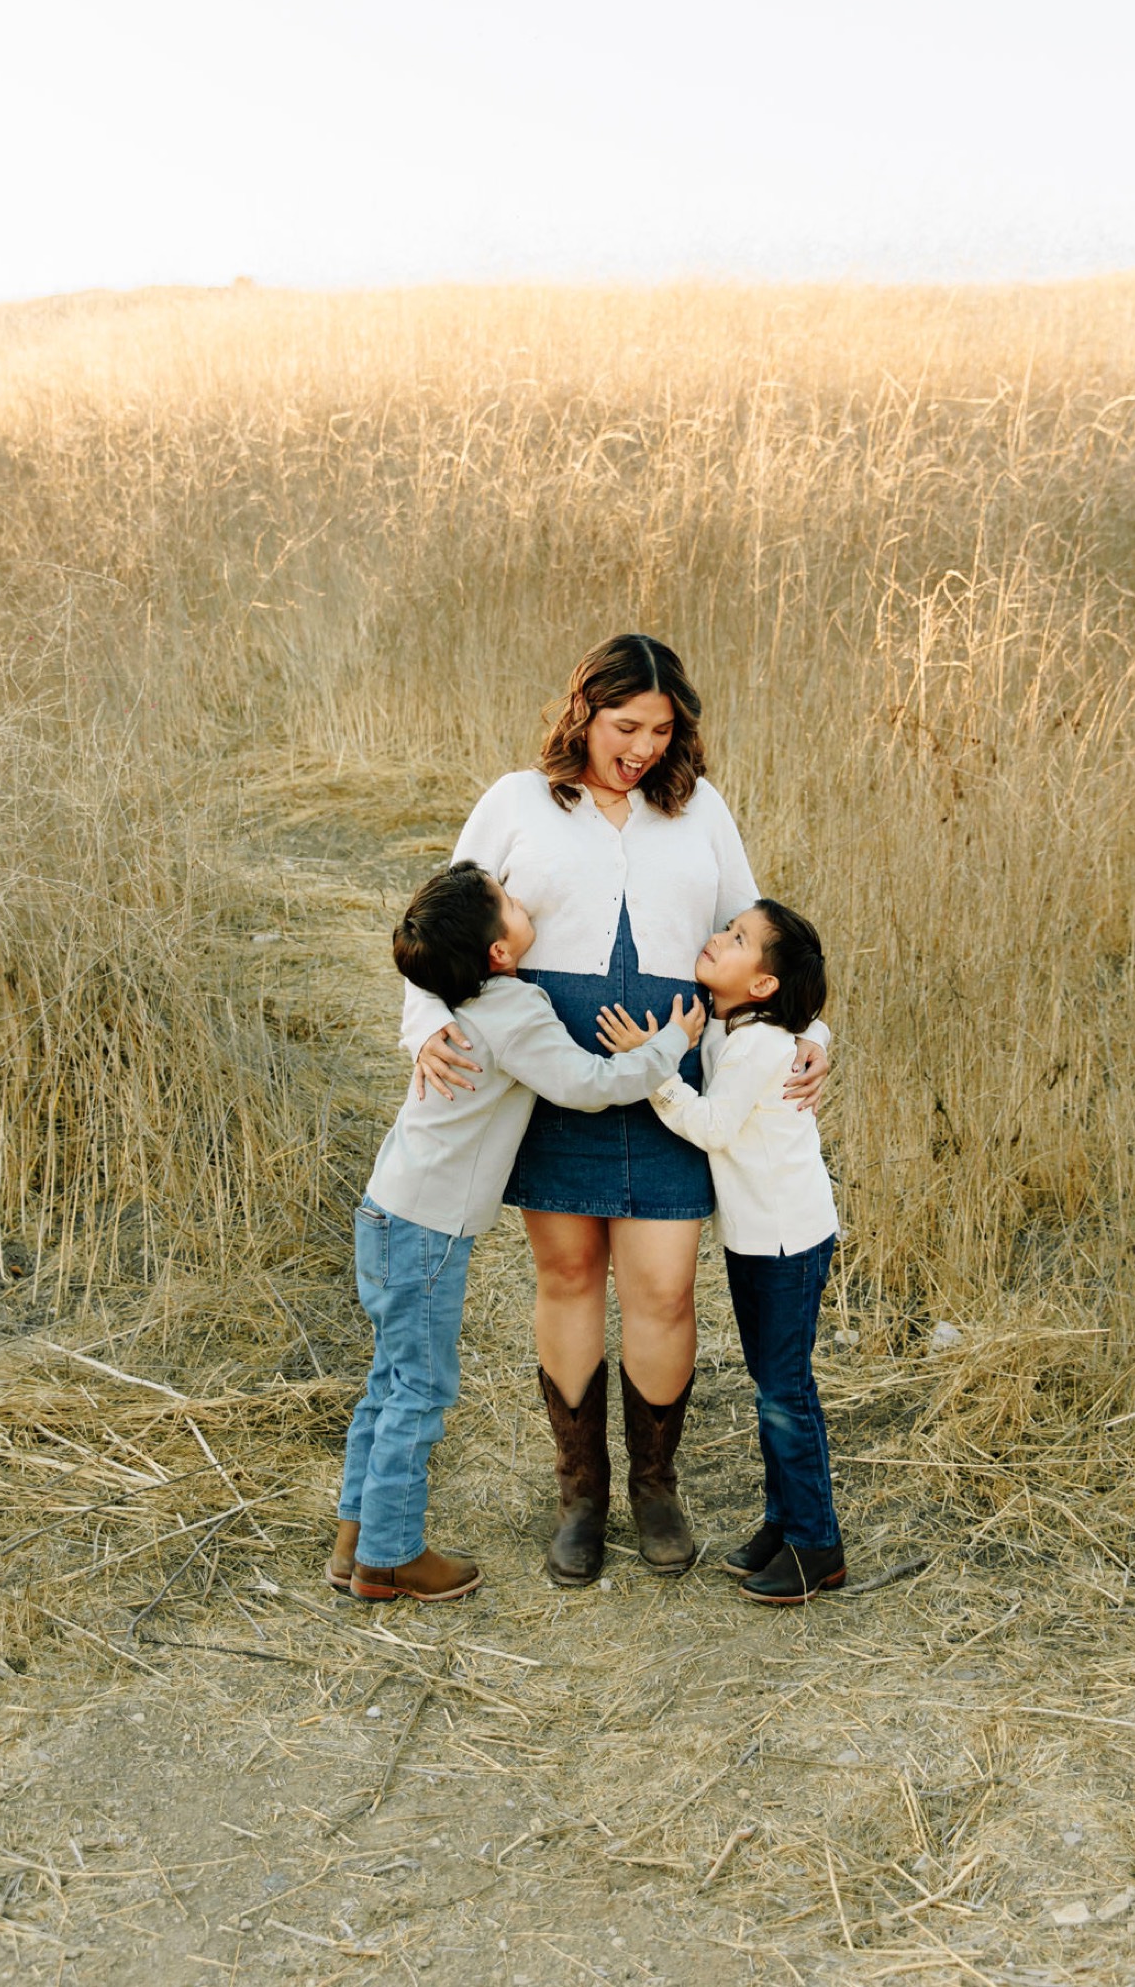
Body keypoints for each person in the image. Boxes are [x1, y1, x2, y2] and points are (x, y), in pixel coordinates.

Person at [400, 635, 830, 1587]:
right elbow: (442, 922)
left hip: (674, 1084)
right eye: (623, 726)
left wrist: (814, 1036)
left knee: (666, 1286)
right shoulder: (518, 800)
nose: (639, 747)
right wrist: (424, 1024)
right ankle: (581, 1493)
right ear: (583, 713)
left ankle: (656, 1487)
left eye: (660, 729)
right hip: (548, 1077)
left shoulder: (699, 810)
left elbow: (768, 940)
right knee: (567, 1275)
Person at [329, 860, 700, 1605]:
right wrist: (669, 1047)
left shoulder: (467, 1001)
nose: (522, 898)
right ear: (499, 953)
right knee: (419, 1392)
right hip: (425, 1230)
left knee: (388, 1384)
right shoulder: (513, 1010)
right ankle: (391, 1558)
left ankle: (356, 1541)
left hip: (388, 1214)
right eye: (509, 901)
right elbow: (588, 1087)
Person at [599, 899, 845, 1604]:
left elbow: (711, 1126)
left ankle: (817, 1544)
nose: (717, 936)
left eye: (736, 939)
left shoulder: (760, 1044)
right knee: (775, 1389)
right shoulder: (736, 1023)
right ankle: (784, 1522)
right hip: (757, 1237)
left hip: (786, 1241)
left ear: (763, 985)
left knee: (785, 1395)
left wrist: (650, 1067)